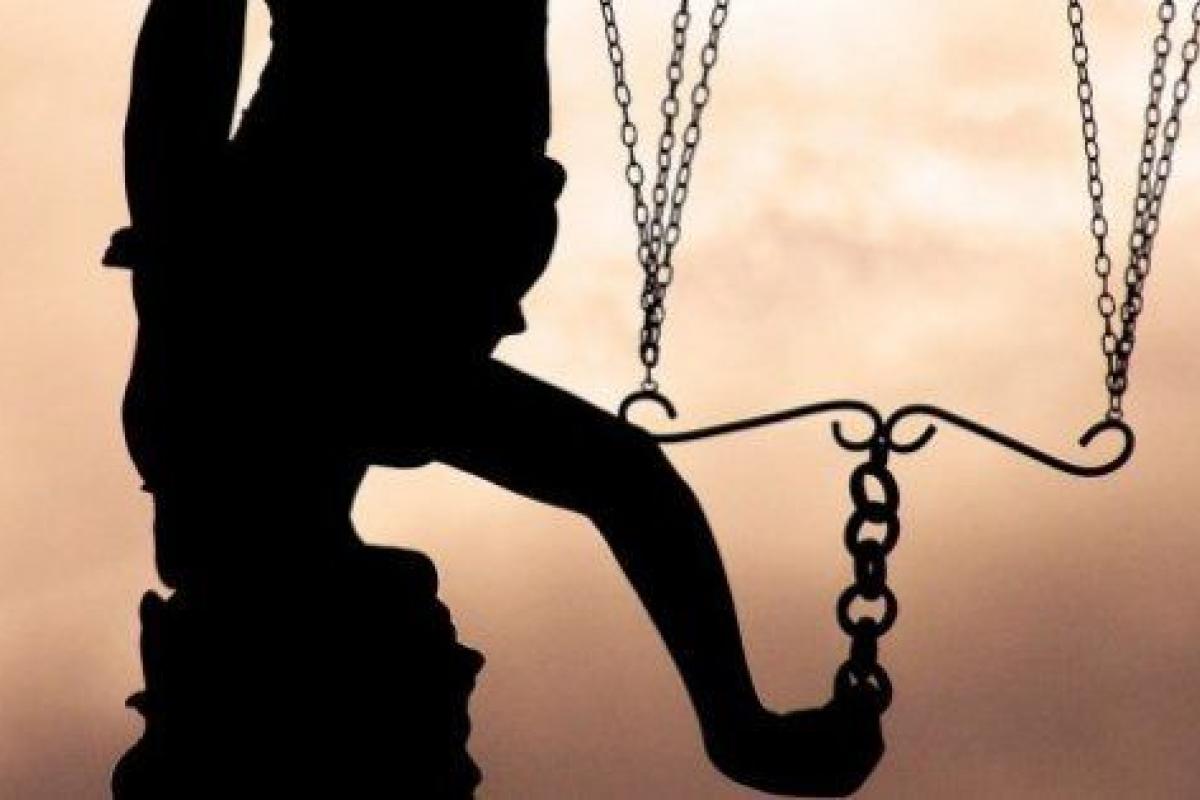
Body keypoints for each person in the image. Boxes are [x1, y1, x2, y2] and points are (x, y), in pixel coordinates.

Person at [106, 0, 884, 796]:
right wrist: (736, 726)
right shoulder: (307, 380)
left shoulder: (261, 371)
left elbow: (625, 481)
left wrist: (737, 724)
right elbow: (624, 480)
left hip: (313, 233)